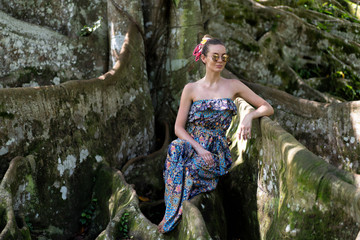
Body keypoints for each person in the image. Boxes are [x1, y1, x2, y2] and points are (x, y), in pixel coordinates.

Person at [157, 35, 274, 233]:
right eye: (215, 57)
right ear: (203, 58)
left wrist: (249, 116)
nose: (220, 61)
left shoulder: (233, 85)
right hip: (193, 144)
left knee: (191, 170)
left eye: (224, 57)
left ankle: (172, 221)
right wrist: (198, 147)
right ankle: (167, 216)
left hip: (216, 149)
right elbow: (179, 128)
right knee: (175, 149)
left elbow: (267, 107)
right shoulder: (191, 89)